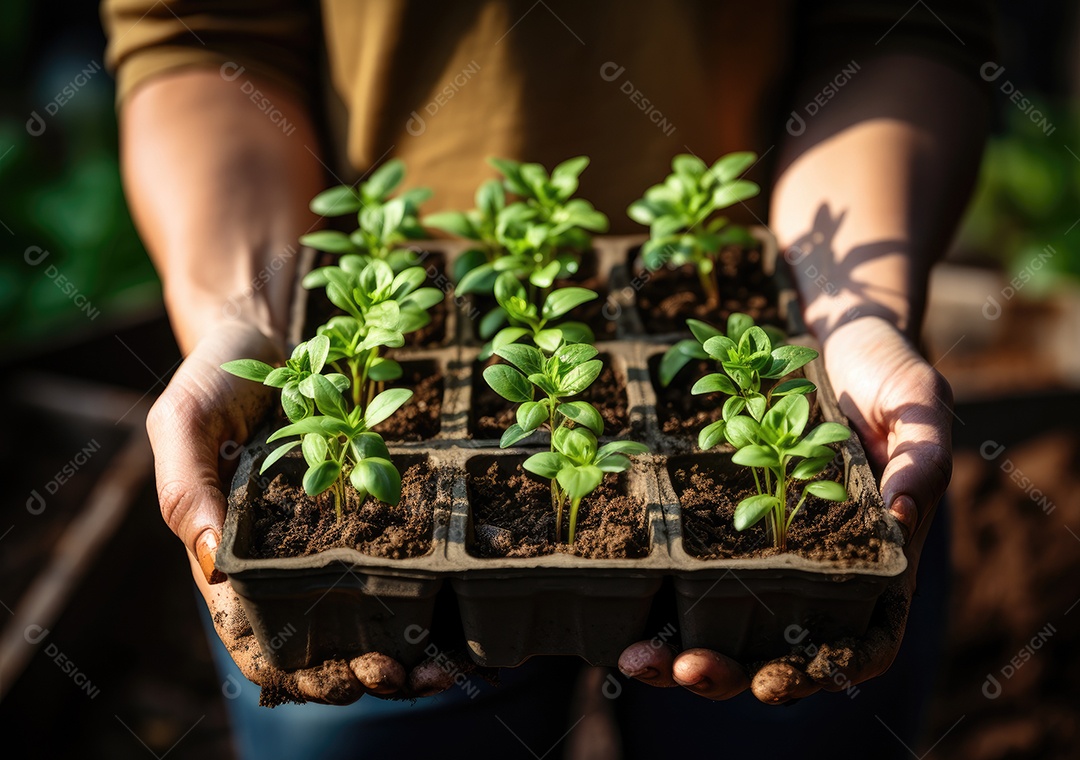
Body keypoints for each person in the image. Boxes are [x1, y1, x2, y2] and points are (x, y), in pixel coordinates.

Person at [102, 1, 994, 757]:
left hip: (767, 302)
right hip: (380, 314)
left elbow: (899, 28)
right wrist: (244, 314)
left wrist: (849, 315)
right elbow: (202, 37)